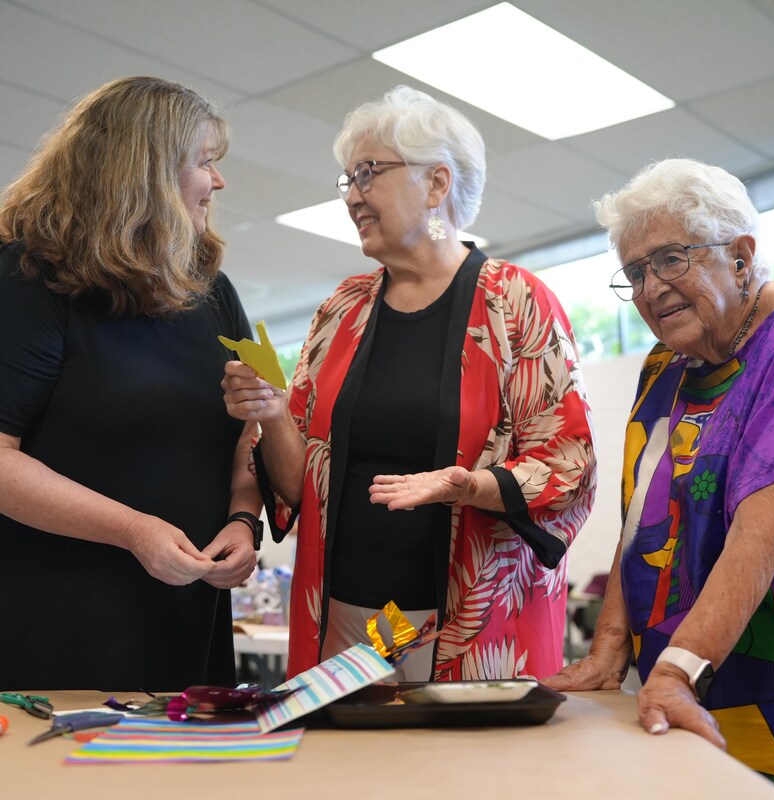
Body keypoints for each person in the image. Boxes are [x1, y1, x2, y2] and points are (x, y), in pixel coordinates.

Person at [222, 86, 596, 682]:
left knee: (461, 777)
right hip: (342, 621)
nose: (352, 196)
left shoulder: (517, 301)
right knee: (350, 775)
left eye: (368, 173)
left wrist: (468, 486)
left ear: (437, 184)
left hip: (472, 626)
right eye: (346, 179)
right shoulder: (340, 310)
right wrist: (270, 413)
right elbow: (299, 484)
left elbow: (569, 460)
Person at [545, 158, 774, 794]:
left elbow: (765, 531)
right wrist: (609, 649)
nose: (649, 288)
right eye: (634, 271)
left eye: (669, 259)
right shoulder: (666, 366)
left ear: (741, 255)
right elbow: (642, 519)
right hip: (675, 685)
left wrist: (678, 672)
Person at [0, 77, 262, 691]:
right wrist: (134, 529)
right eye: (205, 163)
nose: (218, 183)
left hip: (187, 614)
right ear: (144, 170)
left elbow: (251, 424)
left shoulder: (212, 289)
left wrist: (244, 520)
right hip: (58, 617)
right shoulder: (27, 276)